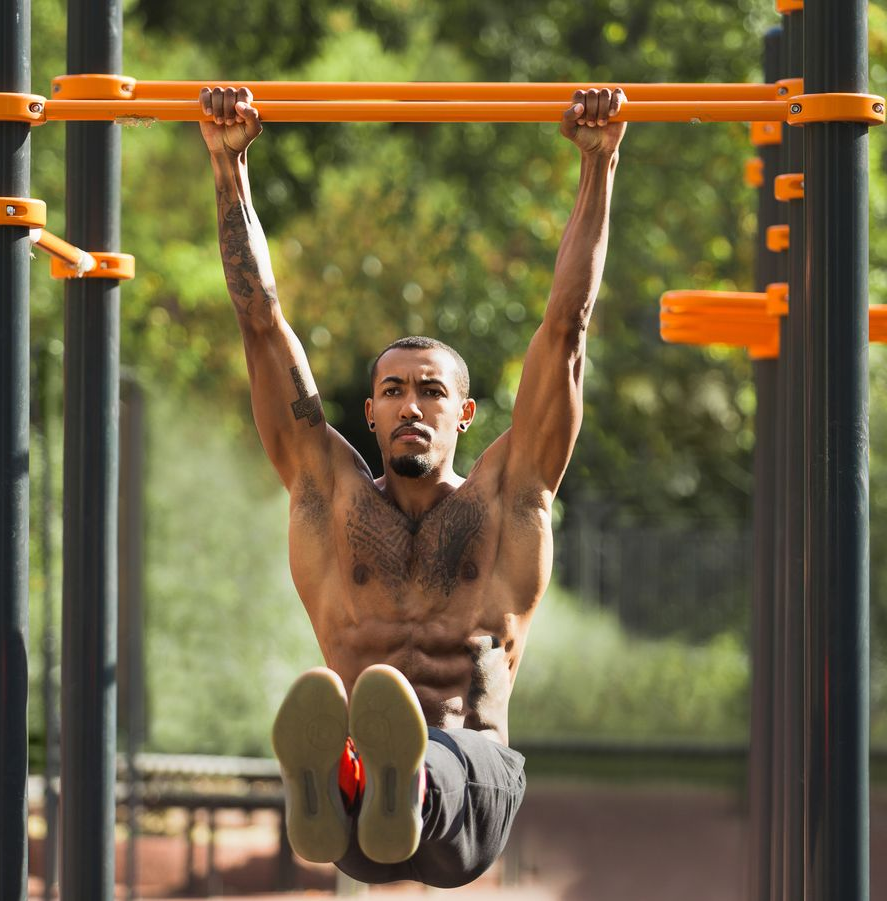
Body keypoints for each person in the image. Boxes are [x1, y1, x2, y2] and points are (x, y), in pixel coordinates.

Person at [199, 83, 627, 889]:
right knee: (364, 766)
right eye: (393, 390)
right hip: (362, 829)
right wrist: (231, 166)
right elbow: (261, 319)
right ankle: (347, 786)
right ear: (368, 410)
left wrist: (597, 163)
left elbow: (567, 327)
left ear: (464, 412)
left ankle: (397, 780)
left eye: (430, 390)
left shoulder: (509, 500)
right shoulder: (331, 498)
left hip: (475, 788)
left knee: (434, 761)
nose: (410, 406)